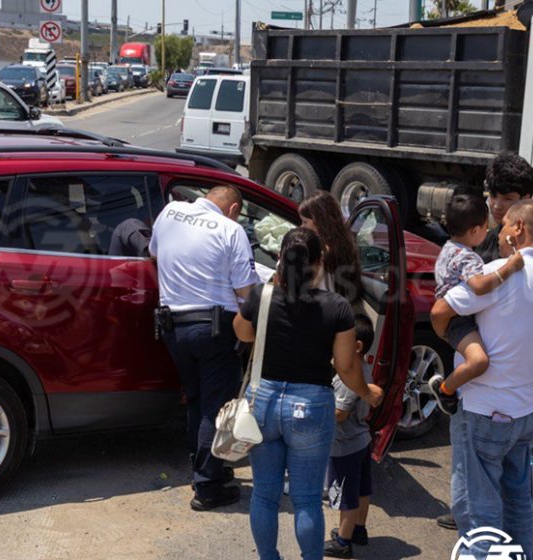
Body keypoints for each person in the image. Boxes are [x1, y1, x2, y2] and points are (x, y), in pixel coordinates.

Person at [430, 200, 533, 560]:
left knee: (480, 518)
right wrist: (524, 360)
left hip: (481, 410)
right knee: (518, 511)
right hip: (523, 414)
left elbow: (440, 311)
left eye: (504, 226)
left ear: (519, 230)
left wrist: (458, 344)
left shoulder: (498, 272)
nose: (497, 235)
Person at [233, 227, 383, 560]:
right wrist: (366, 391)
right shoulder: (337, 307)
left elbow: (242, 332)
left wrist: (270, 295)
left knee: (264, 495)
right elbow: (345, 367)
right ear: (319, 263)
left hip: (264, 402)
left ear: (280, 260)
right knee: (306, 500)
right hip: (311, 407)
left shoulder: (262, 295)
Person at [149, 185, 259, 511]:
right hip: (213, 329)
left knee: (197, 401)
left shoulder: (170, 213)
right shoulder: (231, 229)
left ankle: (203, 466)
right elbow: (246, 291)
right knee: (216, 408)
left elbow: (155, 253)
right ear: (234, 208)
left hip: (172, 328)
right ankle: (208, 487)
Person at [426, 193, 524, 416]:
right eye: (485, 227)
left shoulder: (448, 248)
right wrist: (510, 267)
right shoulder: (466, 257)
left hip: (455, 319)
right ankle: (445, 389)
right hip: (459, 320)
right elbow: (479, 286)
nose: (489, 232)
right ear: (474, 231)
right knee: (479, 362)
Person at [324, 317, 376, 559]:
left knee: (345, 495)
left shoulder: (349, 376)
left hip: (344, 445)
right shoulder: (365, 369)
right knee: (362, 489)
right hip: (361, 441)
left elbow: (340, 414)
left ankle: (343, 541)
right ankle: (358, 529)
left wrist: (319, 410)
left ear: (356, 347)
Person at [298, 192, 363, 304]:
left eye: (304, 222)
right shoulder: (344, 245)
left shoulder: (321, 252)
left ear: (319, 221)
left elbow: (309, 289)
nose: (301, 227)